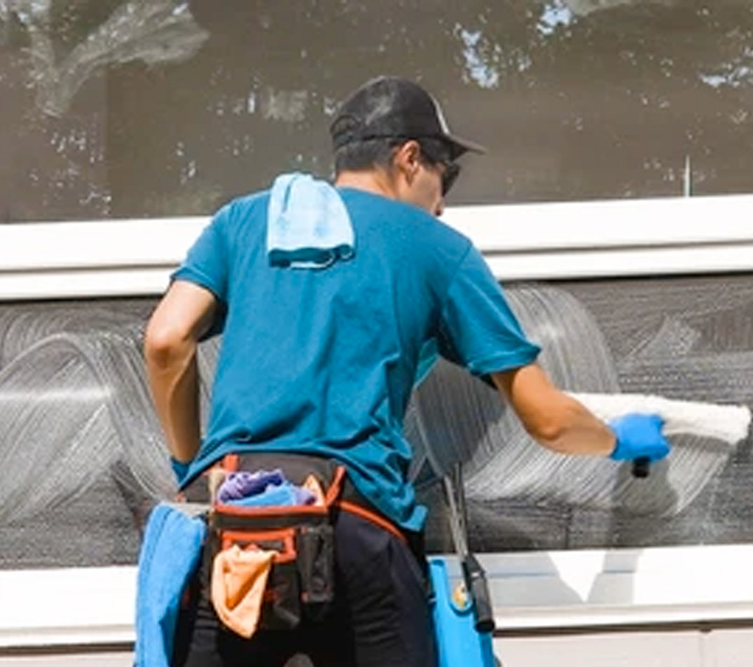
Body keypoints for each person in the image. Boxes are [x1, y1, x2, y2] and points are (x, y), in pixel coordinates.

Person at [143, 75, 670, 667]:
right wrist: (619, 439)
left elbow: (165, 340)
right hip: (357, 527)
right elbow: (546, 420)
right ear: (409, 158)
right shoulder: (438, 248)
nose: (442, 201)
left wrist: (193, 466)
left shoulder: (243, 221)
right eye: (445, 176)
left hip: (240, 532)